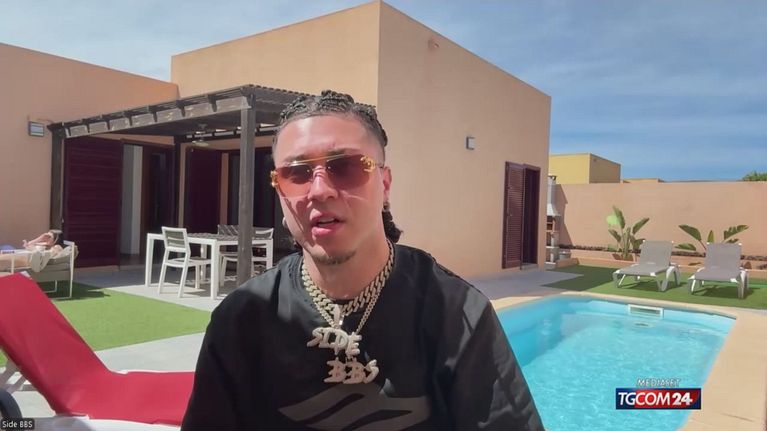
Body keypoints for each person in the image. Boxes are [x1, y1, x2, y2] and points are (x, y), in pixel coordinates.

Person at [182, 90, 543, 430]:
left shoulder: (457, 313)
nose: (319, 190)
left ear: (385, 185)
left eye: (345, 167)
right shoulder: (242, 319)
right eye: (297, 173)